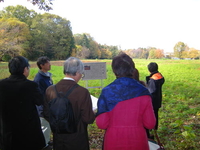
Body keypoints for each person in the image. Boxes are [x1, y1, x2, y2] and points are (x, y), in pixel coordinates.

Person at [96, 53, 156, 150]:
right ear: (132, 69)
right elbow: (150, 123)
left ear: (114, 70)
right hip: (138, 140)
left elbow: (101, 124)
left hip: (113, 140)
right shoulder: (144, 92)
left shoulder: (107, 92)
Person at [43, 57, 95, 150]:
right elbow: (88, 119)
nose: (81, 76)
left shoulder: (50, 90)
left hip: (58, 139)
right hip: (78, 139)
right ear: (78, 72)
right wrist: (93, 113)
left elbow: (47, 114)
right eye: (81, 74)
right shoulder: (82, 92)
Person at [0, 56, 46, 150]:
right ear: (25, 69)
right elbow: (40, 101)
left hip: (8, 134)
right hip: (28, 134)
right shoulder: (30, 86)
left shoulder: (1, 85)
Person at [34, 56, 53, 147]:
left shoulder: (47, 76)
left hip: (48, 106)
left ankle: (47, 141)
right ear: (42, 65)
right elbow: (40, 96)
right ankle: (44, 145)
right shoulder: (39, 79)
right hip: (43, 108)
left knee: (48, 126)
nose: (50, 64)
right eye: (48, 63)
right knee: (44, 126)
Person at [146, 62, 165, 130]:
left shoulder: (153, 79)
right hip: (158, 99)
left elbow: (151, 91)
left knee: (152, 115)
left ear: (149, 70)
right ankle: (155, 128)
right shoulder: (159, 76)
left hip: (153, 101)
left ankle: (153, 128)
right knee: (155, 114)